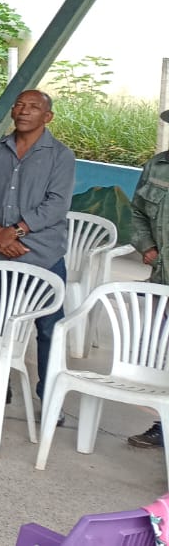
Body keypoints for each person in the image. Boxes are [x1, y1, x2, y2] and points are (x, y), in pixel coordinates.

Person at [0, 89, 76, 411]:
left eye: (34, 107)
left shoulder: (60, 156)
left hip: (43, 255)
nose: (24, 111)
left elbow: (57, 204)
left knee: (49, 328)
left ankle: (49, 397)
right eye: (19, 105)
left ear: (48, 116)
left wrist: (14, 232)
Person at [127, 109, 169, 449]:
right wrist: (147, 246)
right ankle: (163, 425)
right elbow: (137, 211)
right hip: (162, 280)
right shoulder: (157, 167)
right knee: (161, 355)